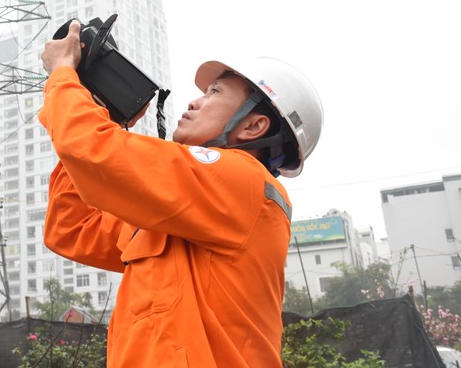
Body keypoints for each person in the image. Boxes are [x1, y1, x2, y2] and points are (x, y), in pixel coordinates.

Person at [39, 21, 323, 367]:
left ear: (253, 126)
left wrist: (63, 75)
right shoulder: (187, 211)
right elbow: (72, 229)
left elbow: (90, 148)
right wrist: (107, 113)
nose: (195, 101)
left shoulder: (241, 179)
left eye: (214, 93)